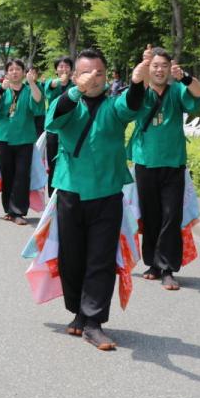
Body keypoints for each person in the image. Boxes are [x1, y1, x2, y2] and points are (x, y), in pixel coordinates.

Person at [44, 48, 144, 351]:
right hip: (71, 190)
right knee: (72, 257)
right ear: (75, 76)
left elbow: (131, 106)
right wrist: (76, 92)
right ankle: (78, 311)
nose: (94, 78)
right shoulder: (67, 103)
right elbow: (54, 119)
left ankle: (93, 322)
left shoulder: (114, 107)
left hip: (107, 192)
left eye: (100, 73)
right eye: (87, 72)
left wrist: (138, 83)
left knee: (100, 258)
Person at [130, 45, 200, 291]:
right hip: (145, 162)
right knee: (150, 216)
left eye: (164, 66)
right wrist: (142, 66)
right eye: (155, 66)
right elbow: (129, 99)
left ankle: (168, 268)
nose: (159, 70)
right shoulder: (139, 92)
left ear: (170, 69)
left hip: (173, 163)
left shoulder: (176, 92)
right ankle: (152, 263)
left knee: (171, 216)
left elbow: (198, 93)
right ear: (148, 69)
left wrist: (184, 76)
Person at [0, 59, 44, 225]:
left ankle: (18, 211)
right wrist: (0, 89)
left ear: (23, 72)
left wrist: (32, 83)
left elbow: (38, 104)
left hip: (24, 138)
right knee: (8, 174)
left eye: (18, 69)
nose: (14, 72)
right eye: (11, 69)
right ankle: (9, 210)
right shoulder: (0, 88)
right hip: (3, 137)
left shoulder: (30, 89)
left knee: (21, 175)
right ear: (6, 73)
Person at [42, 57, 74, 192]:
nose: (64, 69)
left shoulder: (76, 85)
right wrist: (59, 81)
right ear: (56, 70)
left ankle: (67, 191)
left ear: (71, 70)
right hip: (54, 131)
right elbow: (51, 86)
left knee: (70, 163)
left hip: (72, 129)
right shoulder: (51, 82)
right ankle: (52, 194)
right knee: (53, 163)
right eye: (60, 66)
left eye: (67, 66)